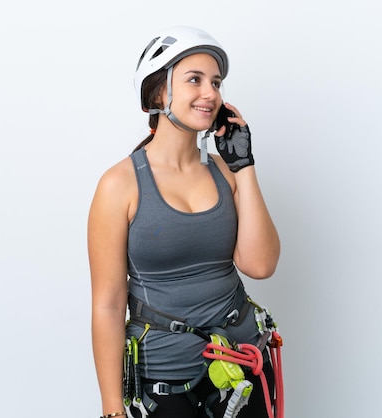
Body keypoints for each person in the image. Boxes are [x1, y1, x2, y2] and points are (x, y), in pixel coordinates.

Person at [88, 26, 281, 418]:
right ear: (159, 93)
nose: (211, 93)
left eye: (216, 82)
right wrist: (112, 407)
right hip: (164, 378)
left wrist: (244, 166)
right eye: (195, 80)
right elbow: (108, 305)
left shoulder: (225, 173)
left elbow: (260, 265)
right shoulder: (120, 185)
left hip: (241, 365)